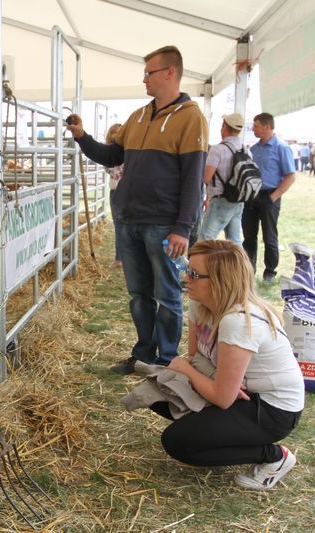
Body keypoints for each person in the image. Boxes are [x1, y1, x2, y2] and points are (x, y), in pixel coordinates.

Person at [66, 45, 207, 372]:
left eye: (149, 73)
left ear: (170, 73)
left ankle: (166, 362)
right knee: (138, 295)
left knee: (168, 296)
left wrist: (183, 228)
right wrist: (82, 136)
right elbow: (112, 156)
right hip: (129, 221)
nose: (144, 79)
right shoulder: (139, 116)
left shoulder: (191, 118)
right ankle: (143, 354)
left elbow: (192, 178)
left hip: (163, 225)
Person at [152, 240, 304, 489]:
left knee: (177, 442)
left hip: (272, 409)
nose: (185, 277)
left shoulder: (238, 321)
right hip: (243, 392)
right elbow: (197, 357)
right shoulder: (200, 302)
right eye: (187, 269)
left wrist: (187, 369)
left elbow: (216, 392)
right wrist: (204, 376)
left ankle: (274, 457)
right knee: (160, 393)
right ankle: (216, 429)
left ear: (221, 281)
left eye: (193, 274)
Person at [242, 113, 295, 282]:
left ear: (266, 126)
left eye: (256, 125)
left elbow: (290, 176)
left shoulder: (281, 147)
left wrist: (273, 197)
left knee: (269, 235)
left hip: (269, 195)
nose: (253, 129)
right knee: (249, 235)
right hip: (251, 196)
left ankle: (270, 271)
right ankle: (249, 269)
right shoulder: (254, 149)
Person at [198, 113, 247, 244]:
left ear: (224, 127)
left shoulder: (218, 150)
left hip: (220, 200)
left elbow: (207, 177)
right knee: (235, 241)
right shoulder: (246, 150)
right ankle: (240, 264)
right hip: (238, 200)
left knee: (205, 240)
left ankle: (200, 264)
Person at [104, 123, 124, 269]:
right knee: (118, 224)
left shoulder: (129, 151)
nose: (115, 135)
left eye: (118, 133)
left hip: (129, 192)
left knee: (128, 225)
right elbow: (109, 171)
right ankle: (119, 258)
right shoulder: (107, 153)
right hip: (115, 191)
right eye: (113, 133)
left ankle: (129, 258)